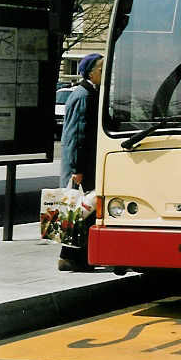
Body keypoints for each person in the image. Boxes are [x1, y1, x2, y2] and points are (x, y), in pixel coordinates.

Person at [58, 53, 103, 272]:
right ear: (91, 72)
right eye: (102, 69)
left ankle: (76, 255)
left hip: (82, 165)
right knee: (80, 210)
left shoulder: (87, 93)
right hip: (81, 167)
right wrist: (77, 168)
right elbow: (78, 135)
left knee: (81, 210)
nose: (104, 73)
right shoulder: (84, 95)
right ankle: (71, 256)